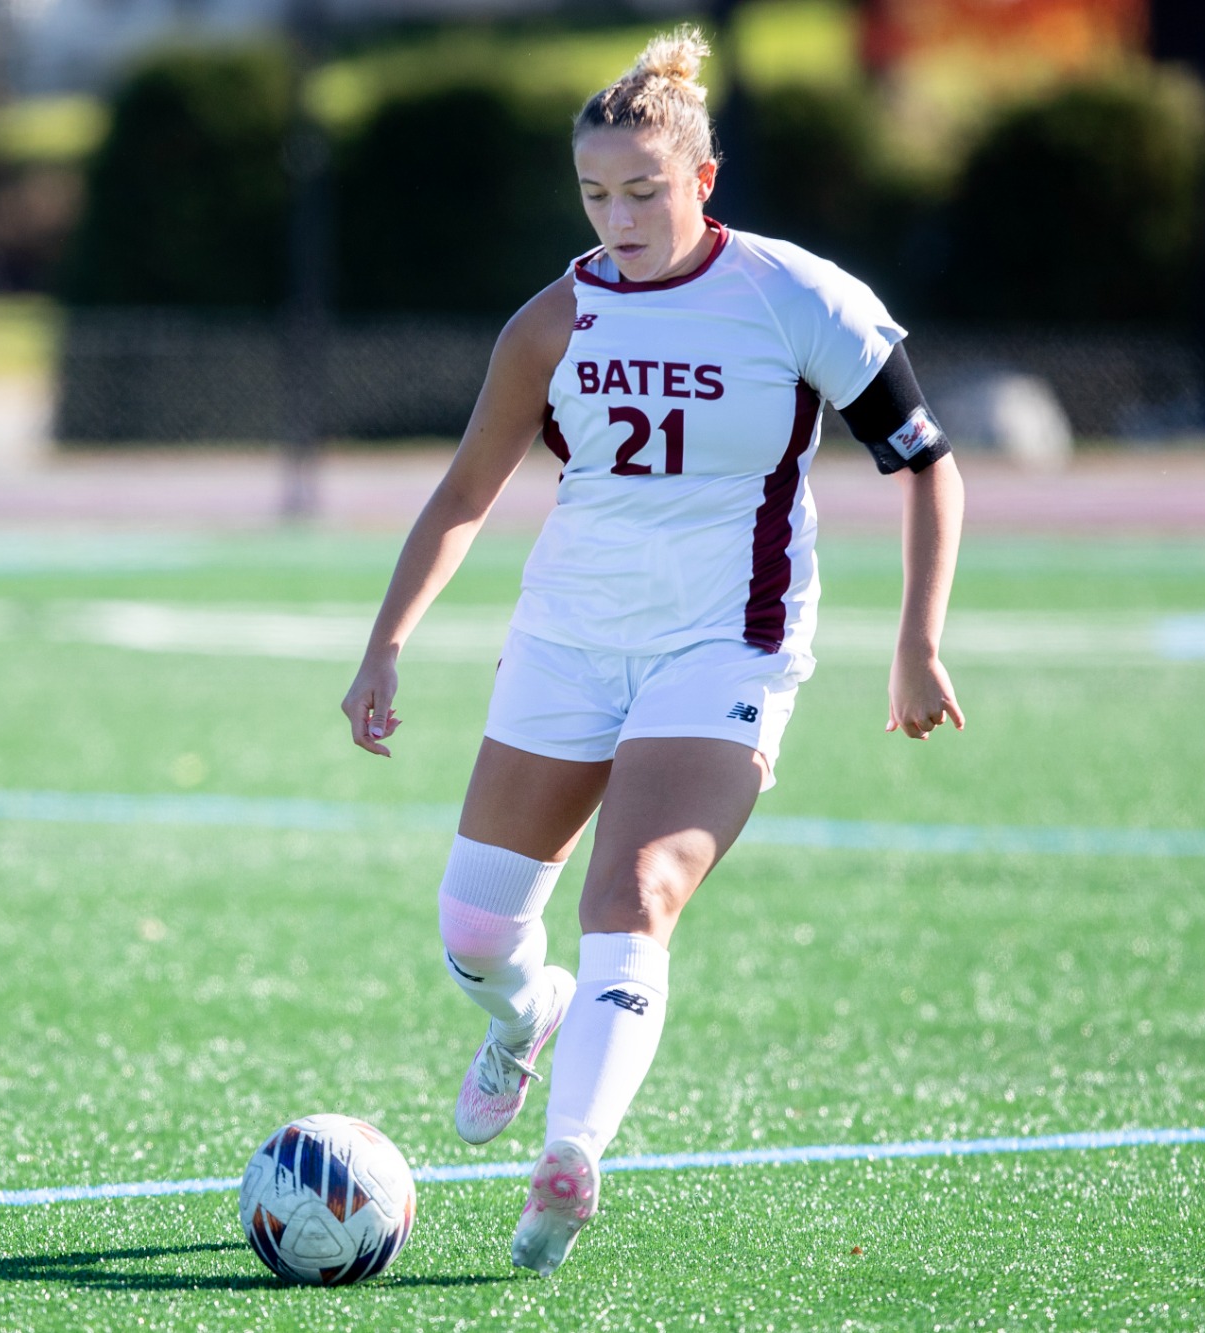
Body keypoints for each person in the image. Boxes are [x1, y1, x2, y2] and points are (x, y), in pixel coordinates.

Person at [340, 26, 965, 1277]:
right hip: (567, 641)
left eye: (642, 190)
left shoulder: (797, 298)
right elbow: (464, 492)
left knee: (633, 896)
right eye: (594, 193)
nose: (616, 218)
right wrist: (385, 647)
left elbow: (925, 464)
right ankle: (528, 1016)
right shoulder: (552, 322)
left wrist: (915, 642)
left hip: (724, 650)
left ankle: (569, 1159)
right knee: (472, 928)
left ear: (702, 180)